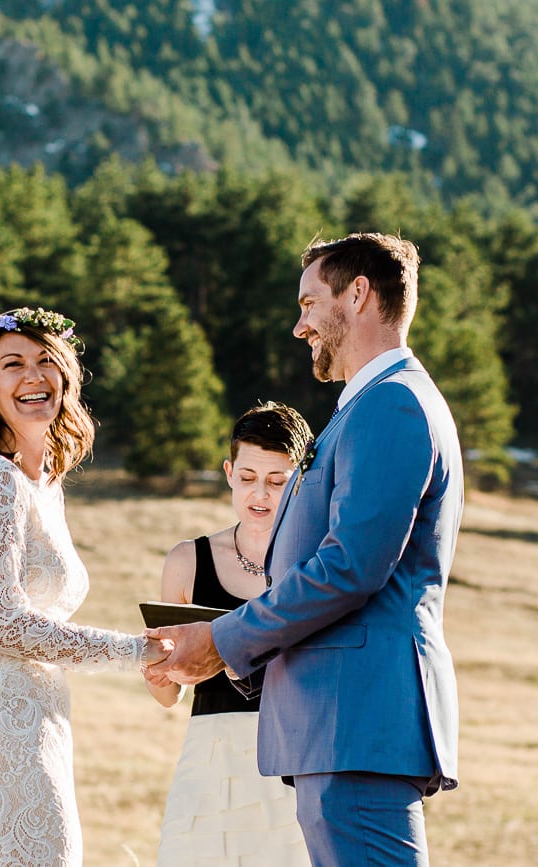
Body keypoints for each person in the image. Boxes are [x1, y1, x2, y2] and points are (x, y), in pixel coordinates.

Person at [145, 233, 464, 866]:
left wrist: (222, 639)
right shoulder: (369, 407)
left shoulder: (392, 405)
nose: (300, 326)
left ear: (358, 294)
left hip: (357, 718)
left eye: (309, 303)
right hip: (337, 723)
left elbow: (349, 568)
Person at [0, 307, 169, 867]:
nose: (33, 376)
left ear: (67, 377)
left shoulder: (42, 483)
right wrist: (135, 650)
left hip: (39, 722)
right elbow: (1, 623)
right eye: (12, 365)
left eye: (46, 361)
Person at [147, 402, 314, 867]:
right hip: (211, 761)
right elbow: (167, 697)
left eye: (277, 481)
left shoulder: (320, 567)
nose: (259, 494)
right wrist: (159, 673)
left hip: (296, 759)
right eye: (247, 478)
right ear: (228, 471)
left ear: (301, 479)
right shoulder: (187, 560)